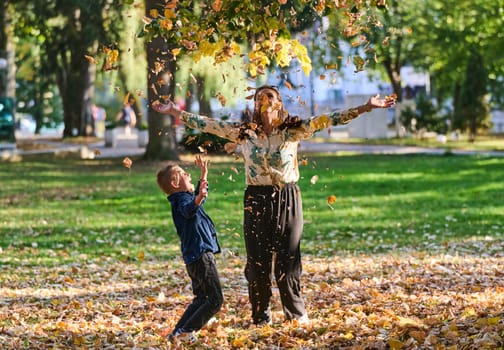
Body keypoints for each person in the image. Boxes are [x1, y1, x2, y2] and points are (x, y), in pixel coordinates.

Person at [152, 86, 395, 326]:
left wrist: (366, 107)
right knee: (258, 261)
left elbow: (328, 119)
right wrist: (176, 112)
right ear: (255, 104)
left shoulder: (293, 130)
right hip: (256, 200)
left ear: (278, 103)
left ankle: (296, 314)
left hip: (287, 197)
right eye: (259, 98)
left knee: (288, 261)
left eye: (269, 97)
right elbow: (209, 124)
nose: (263, 100)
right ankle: (261, 315)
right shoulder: (244, 133)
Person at [156, 155, 223, 344]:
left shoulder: (181, 199)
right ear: (175, 182)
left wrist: (204, 176)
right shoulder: (182, 202)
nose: (188, 174)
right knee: (215, 300)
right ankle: (186, 332)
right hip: (201, 256)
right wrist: (199, 197)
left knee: (202, 298)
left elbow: (194, 203)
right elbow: (189, 208)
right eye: (184, 174)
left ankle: (177, 333)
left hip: (194, 257)